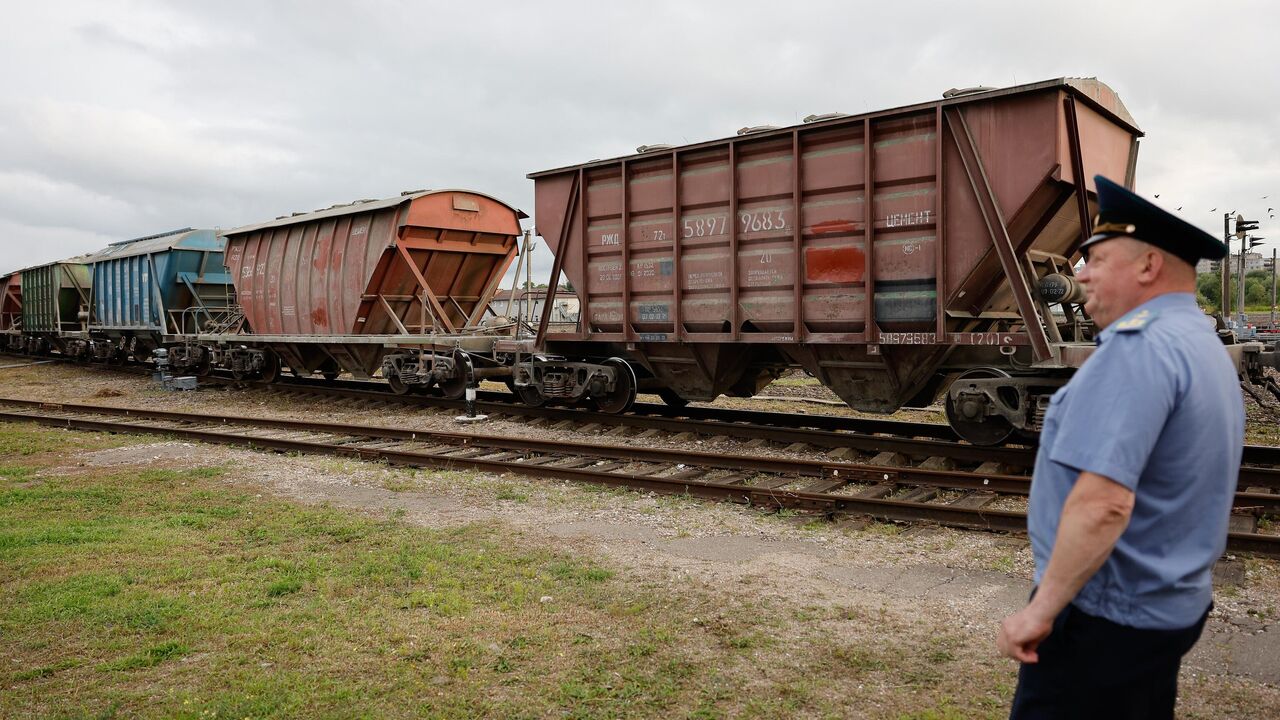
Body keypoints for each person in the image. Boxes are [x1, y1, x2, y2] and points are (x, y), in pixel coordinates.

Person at [997, 175, 1244, 718]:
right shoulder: (1199, 343)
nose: (1080, 277)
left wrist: (1042, 611)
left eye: (1095, 260)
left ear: (1148, 266)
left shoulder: (1138, 351)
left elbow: (1104, 503)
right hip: (1167, 605)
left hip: (1105, 616)